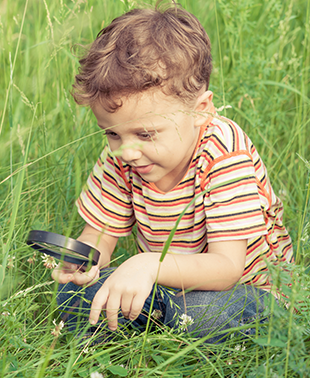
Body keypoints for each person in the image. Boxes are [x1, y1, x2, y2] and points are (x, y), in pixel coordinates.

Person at [52, 1, 293, 343]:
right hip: (162, 283)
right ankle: (154, 319)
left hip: (246, 291)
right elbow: (101, 234)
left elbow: (227, 269)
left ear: (201, 111)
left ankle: (157, 321)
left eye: (145, 134)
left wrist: (148, 265)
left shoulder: (223, 151)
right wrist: (85, 258)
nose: (128, 150)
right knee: (74, 298)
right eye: (112, 133)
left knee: (212, 314)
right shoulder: (122, 155)